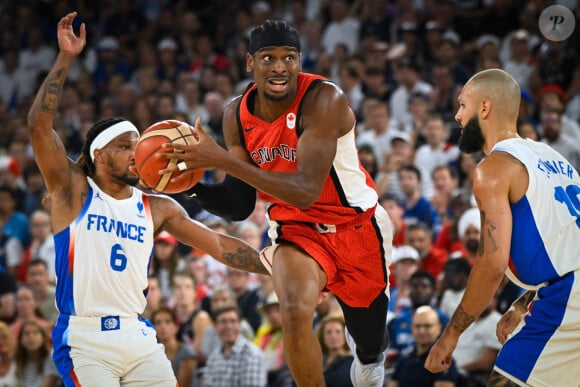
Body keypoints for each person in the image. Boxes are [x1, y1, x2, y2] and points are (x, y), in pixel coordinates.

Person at [27, 13, 267, 386]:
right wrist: (66, 59)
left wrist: (277, 271)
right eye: (126, 147)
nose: (136, 154)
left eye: (139, 147)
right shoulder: (72, 191)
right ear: (99, 156)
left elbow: (220, 246)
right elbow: (39, 127)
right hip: (84, 338)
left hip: (138, 336)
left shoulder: (158, 207)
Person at [161, 19, 392, 387]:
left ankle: (369, 358)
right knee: (295, 310)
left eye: (289, 57)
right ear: (250, 63)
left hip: (355, 225)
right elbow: (239, 204)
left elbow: (305, 190)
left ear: (300, 61)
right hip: (296, 229)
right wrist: (191, 186)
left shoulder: (323, 99)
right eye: (268, 58)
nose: (280, 67)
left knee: (370, 341)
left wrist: (218, 159)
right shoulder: (236, 114)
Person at [425, 68, 580, 386]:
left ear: (484, 107)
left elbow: (491, 264)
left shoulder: (492, 169)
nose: (456, 115)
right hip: (561, 296)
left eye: (462, 105)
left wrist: (450, 336)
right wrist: (524, 302)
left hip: (568, 303)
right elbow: (567, 249)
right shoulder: (555, 159)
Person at [389, 305, 458, 387]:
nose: (421, 331)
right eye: (417, 326)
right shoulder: (404, 357)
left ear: (438, 328)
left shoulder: (443, 360)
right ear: (412, 328)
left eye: (427, 326)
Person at [203, 305, 267, 387]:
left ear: (240, 324)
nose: (229, 326)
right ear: (215, 326)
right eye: (223, 321)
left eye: (233, 321)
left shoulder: (252, 354)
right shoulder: (213, 357)